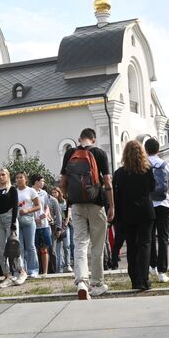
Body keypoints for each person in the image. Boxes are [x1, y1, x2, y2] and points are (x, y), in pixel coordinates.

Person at [60, 128, 114, 300]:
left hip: (76, 205)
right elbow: (107, 182)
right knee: (97, 245)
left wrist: (69, 198)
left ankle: (81, 281)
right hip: (96, 203)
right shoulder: (99, 153)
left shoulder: (70, 153)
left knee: (80, 243)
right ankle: (97, 283)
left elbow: (63, 181)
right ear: (94, 139)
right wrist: (111, 205)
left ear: (79, 139)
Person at [112, 141, 155, 290]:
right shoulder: (147, 170)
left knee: (131, 247)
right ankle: (144, 278)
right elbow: (152, 188)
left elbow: (116, 195)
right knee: (145, 245)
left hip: (127, 214)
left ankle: (135, 280)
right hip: (145, 212)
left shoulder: (119, 173)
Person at [144, 139, 169, 284]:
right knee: (163, 237)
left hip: (148, 204)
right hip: (163, 203)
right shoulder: (165, 164)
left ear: (145, 149)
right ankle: (162, 272)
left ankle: (152, 266)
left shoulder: (143, 165)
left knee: (149, 237)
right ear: (158, 149)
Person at [0, 170, 22, 285]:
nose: (1, 177)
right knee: (1, 249)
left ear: (7, 176)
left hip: (9, 217)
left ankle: (21, 271)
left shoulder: (12, 189)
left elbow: (15, 206)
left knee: (13, 247)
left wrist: (13, 222)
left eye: (3, 175)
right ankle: (7, 275)